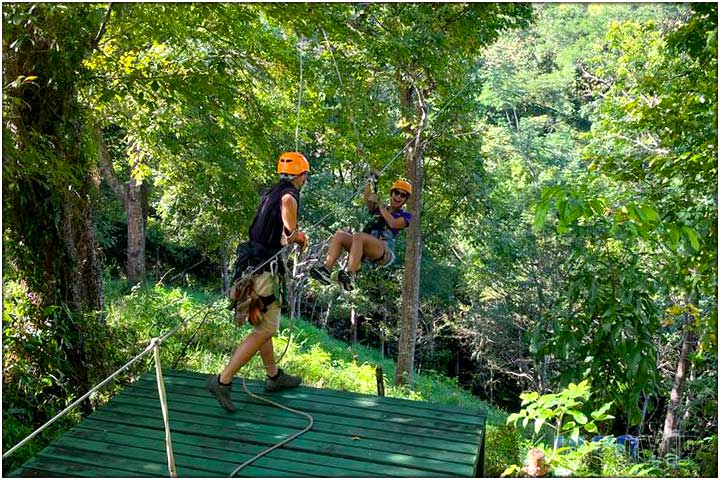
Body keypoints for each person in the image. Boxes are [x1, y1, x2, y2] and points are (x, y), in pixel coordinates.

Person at [207, 151, 309, 412]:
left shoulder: (270, 192)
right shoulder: (289, 195)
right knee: (266, 330)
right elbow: (288, 230)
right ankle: (223, 380)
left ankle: (273, 376)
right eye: (305, 176)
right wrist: (297, 236)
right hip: (264, 270)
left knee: (263, 323)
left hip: (250, 266)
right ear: (302, 176)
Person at [310, 176, 412, 291]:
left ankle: (351, 275)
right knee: (340, 235)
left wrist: (381, 206)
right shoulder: (380, 209)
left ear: (405, 200)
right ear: (392, 193)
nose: (398, 197)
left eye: (402, 195)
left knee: (359, 236)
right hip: (364, 246)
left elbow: (393, 224)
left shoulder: (406, 216)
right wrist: (368, 181)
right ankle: (326, 271)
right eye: (396, 193)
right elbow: (367, 198)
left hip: (384, 250)